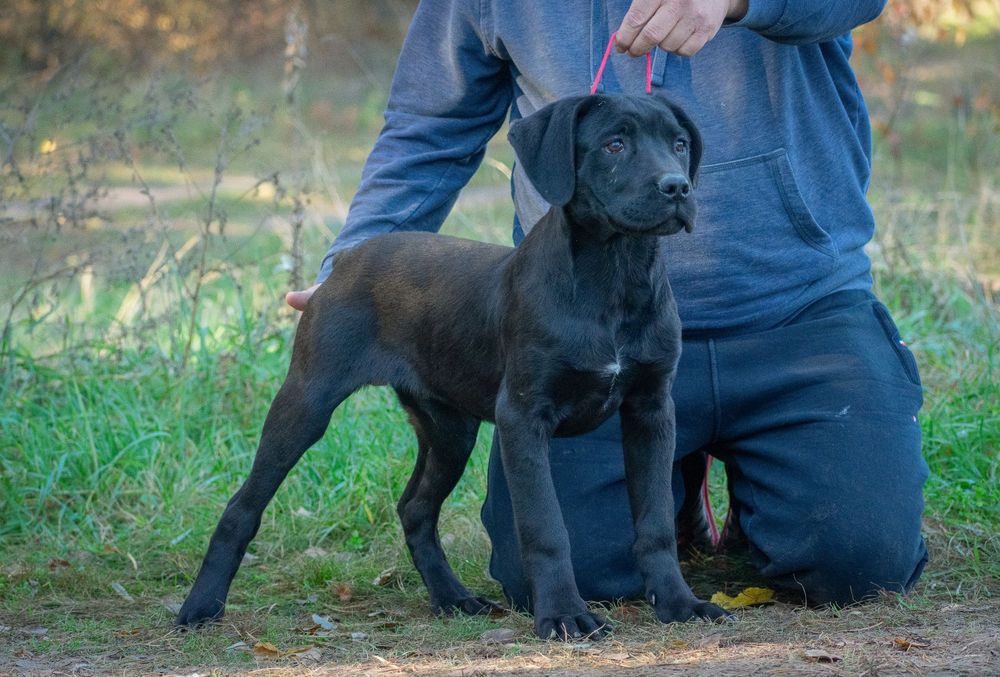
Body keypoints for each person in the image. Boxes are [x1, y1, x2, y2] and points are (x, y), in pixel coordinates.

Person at [286, 0, 928, 609]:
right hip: (576, 332)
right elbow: (431, 124)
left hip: (796, 313)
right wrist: (353, 270)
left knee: (859, 564)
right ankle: (674, 483)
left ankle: (753, 478)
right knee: (561, 579)